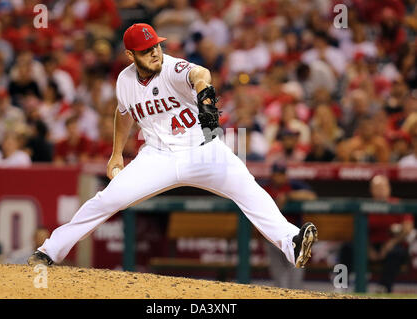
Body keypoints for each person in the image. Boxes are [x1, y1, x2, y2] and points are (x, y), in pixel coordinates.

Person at [28, 23, 318, 271]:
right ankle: (49, 251)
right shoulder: (125, 80)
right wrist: (116, 153)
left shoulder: (172, 67)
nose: (154, 52)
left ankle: (291, 243)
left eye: (156, 45)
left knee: (248, 188)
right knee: (106, 200)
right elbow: (124, 113)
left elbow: (200, 73)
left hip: (203, 149)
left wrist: (204, 92)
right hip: (157, 156)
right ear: (130, 55)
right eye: (146, 49)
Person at [338, 175, 415, 293]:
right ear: (371, 190)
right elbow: (358, 230)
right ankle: (340, 286)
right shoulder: (365, 206)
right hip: (368, 245)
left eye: (383, 187)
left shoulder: (397, 204)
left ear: (389, 188)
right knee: (346, 248)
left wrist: (391, 243)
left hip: (390, 246)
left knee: (398, 252)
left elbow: (407, 227)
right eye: (377, 188)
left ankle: (383, 288)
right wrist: (368, 249)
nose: (380, 190)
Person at [261, 162, 317, 289]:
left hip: (294, 236)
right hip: (273, 238)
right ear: (272, 175)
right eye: (276, 174)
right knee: (279, 277)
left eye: (281, 174)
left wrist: (289, 196)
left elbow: (312, 196)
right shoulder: (265, 187)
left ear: (285, 175)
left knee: (296, 276)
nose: (278, 177)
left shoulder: (293, 185)